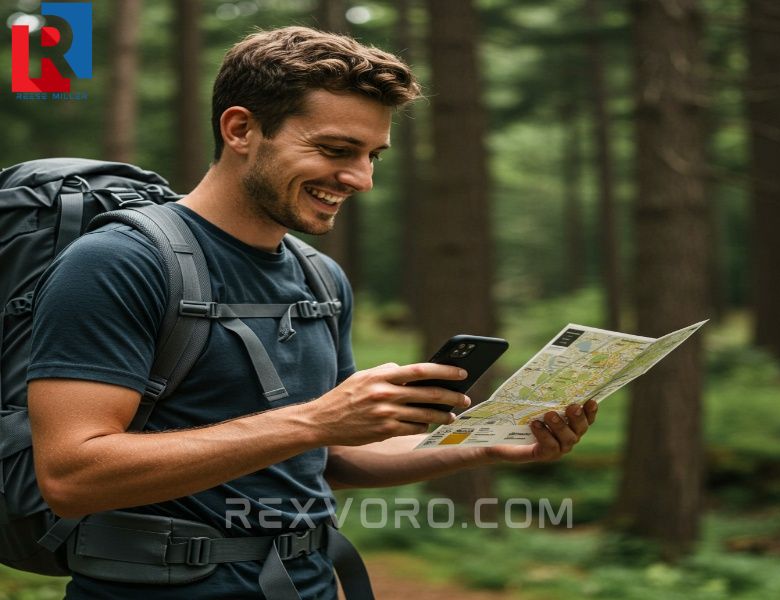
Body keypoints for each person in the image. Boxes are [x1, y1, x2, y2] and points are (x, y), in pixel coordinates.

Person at [27, 26, 599, 600]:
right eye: (335, 150)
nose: (362, 179)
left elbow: (330, 458)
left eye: (372, 155)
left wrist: (485, 445)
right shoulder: (117, 261)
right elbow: (71, 476)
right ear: (241, 129)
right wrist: (317, 420)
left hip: (308, 585)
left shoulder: (318, 277)